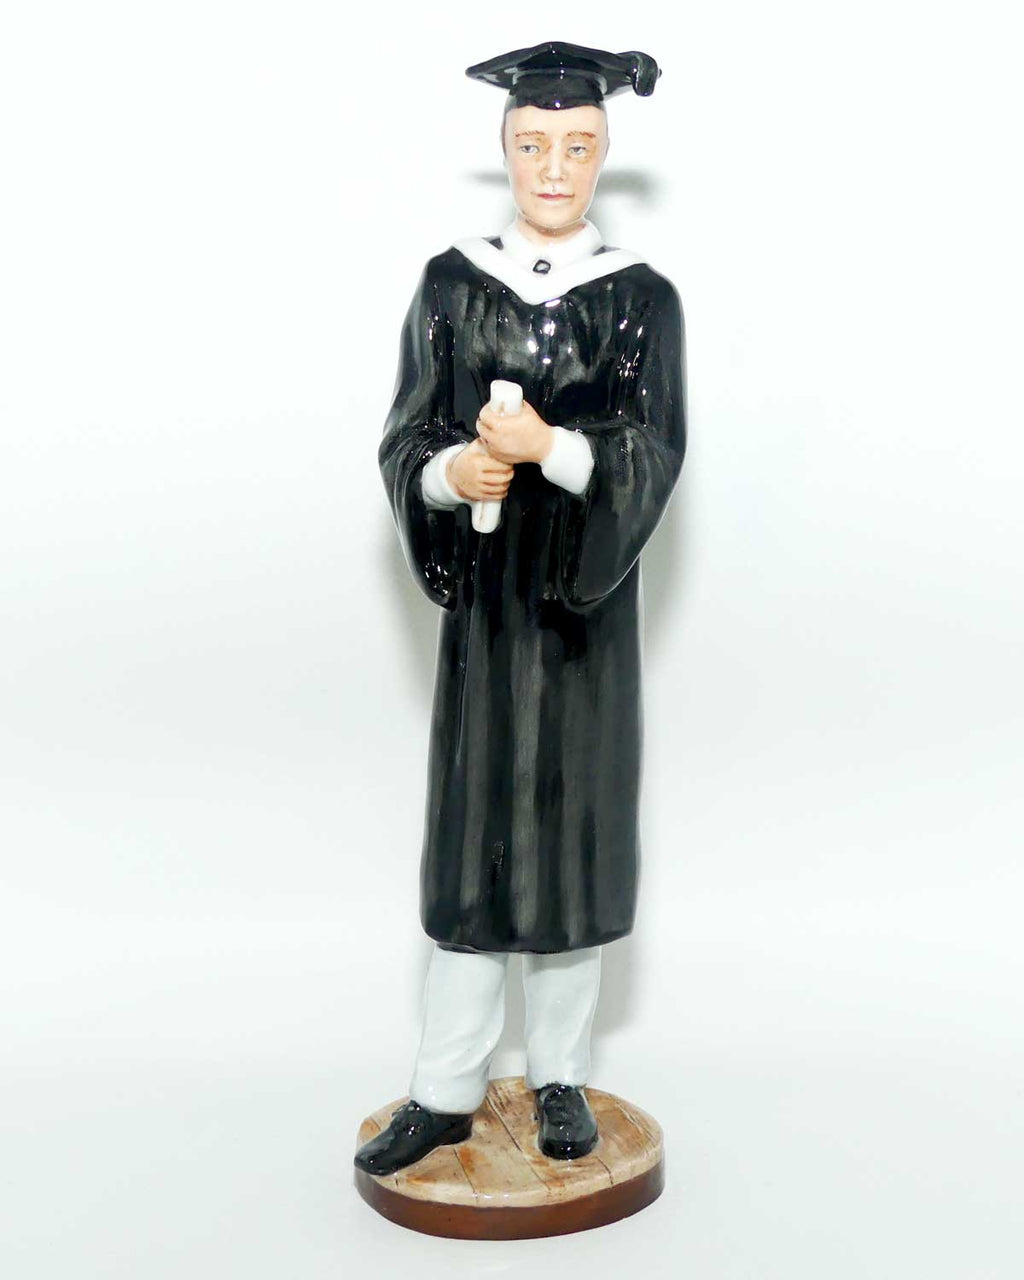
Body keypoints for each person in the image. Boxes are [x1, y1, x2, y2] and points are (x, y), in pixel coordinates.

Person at [357, 41, 686, 1176]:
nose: (554, 167)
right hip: (491, 620)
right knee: (475, 847)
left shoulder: (640, 299)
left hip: (582, 616)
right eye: (534, 144)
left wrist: (552, 447)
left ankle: (559, 1076)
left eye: (578, 147)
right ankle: (444, 1087)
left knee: (570, 842)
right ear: (505, 150)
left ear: (603, 153)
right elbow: (406, 431)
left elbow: (654, 449)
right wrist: (454, 474)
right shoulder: (453, 285)